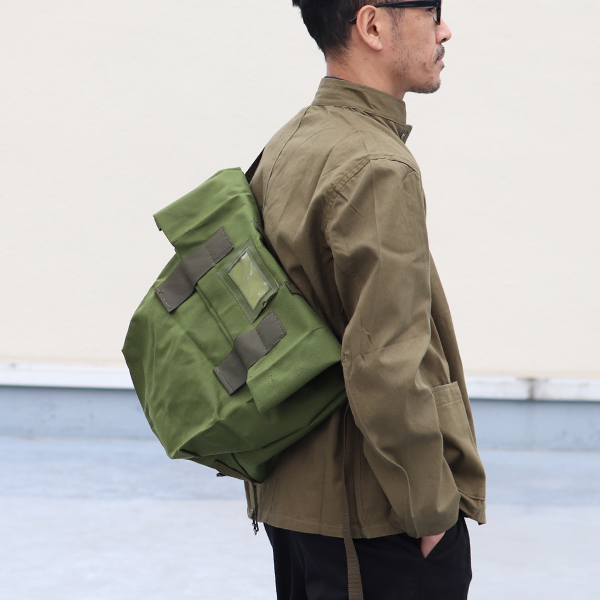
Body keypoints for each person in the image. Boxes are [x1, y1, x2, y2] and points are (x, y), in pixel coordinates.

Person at [248, 1, 487, 598]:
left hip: (295, 501)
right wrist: (431, 514)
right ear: (373, 25)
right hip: (374, 520)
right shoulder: (377, 165)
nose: (445, 29)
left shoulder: (291, 141)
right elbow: (385, 360)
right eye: (431, 11)